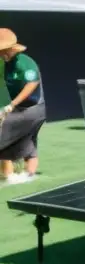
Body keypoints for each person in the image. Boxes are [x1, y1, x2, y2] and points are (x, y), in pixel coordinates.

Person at [0, 29, 46, 184]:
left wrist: (12, 104)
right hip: (17, 107)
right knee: (26, 140)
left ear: (11, 49)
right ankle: (26, 174)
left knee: (6, 134)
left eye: (3, 51)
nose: (1, 54)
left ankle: (11, 175)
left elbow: (32, 84)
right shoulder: (4, 63)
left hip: (33, 107)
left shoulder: (25, 63)